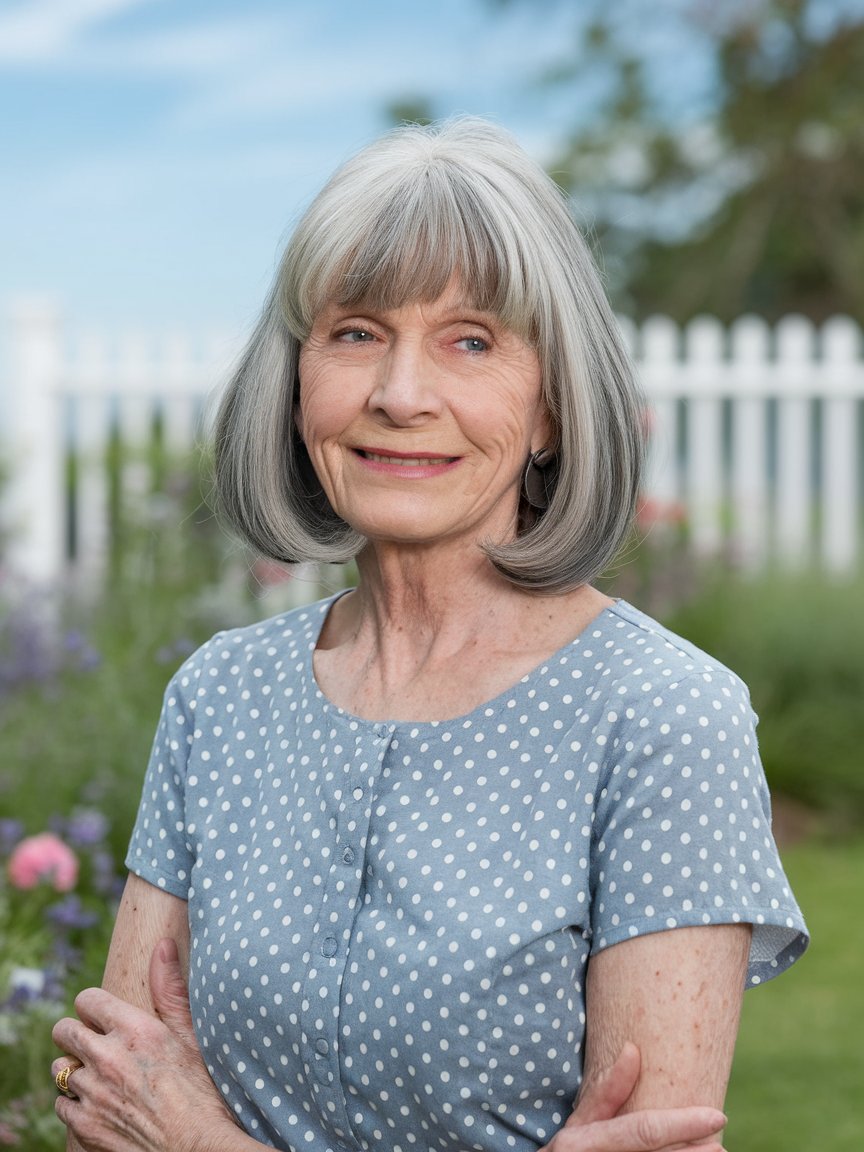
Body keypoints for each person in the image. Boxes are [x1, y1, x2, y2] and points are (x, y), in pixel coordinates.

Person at [52, 117, 807, 1152]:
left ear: (549, 408)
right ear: (298, 379)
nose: (402, 395)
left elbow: (157, 1128)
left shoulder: (662, 720)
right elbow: (116, 1103)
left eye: (471, 341)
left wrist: (202, 1141)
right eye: (356, 332)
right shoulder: (218, 697)